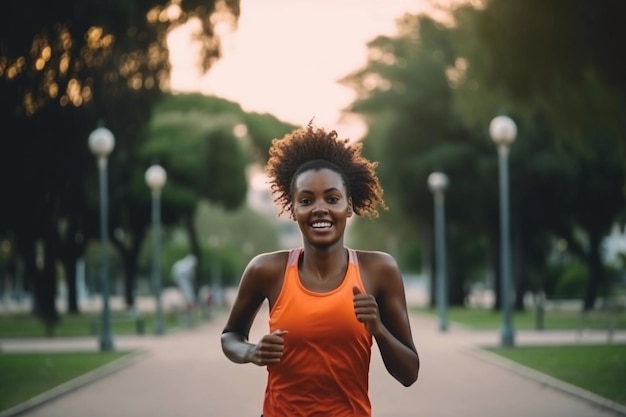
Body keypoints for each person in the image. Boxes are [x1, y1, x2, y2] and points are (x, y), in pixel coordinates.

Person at [221, 123, 419, 417]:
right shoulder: (266, 270)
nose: (320, 208)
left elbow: (409, 373)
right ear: (292, 210)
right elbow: (230, 336)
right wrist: (251, 352)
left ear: (348, 207)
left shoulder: (378, 270)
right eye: (306, 200)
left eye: (332, 198)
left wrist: (378, 329)